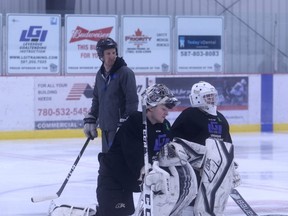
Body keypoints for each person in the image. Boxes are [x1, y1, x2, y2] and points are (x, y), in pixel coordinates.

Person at [95, 84, 180, 216]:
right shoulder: (134, 123)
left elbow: (169, 151)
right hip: (114, 181)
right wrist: (143, 169)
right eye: (163, 108)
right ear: (150, 107)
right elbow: (133, 156)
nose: (167, 112)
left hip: (131, 182)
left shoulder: (165, 125)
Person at [170, 81, 240, 216]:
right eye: (208, 96)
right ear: (197, 98)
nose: (211, 99)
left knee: (211, 199)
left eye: (213, 96)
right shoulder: (189, 115)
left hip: (216, 167)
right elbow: (175, 139)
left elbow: (227, 144)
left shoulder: (220, 118)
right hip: (195, 167)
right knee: (193, 197)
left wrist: (230, 166)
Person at [83, 37, 139, 153]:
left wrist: (126, 121)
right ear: (101, 56)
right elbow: (97, 99)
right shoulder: (100, 74)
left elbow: (132, 101)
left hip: (119, 127)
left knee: (117, 161)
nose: (112, 56)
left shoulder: (125, 73)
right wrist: (91, 118)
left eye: (114, 52)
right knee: (107, 160)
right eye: (108, 53)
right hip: (105, 126)